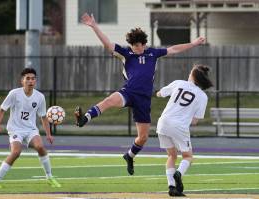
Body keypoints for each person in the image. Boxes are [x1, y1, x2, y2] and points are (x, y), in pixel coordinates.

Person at [75, 12, 206, 175]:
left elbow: (173, 49)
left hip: (143, 99)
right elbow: (108, 44)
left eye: (139, 45)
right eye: (133, 45)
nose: (136, 48)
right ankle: (84, 118)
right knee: (110, 100)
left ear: (144, 44)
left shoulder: (153, 54)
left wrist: (193, 43)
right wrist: (94, 26)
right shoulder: (126, 54)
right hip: (129, 92)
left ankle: (129, 156)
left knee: (142, 138)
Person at [0, 68, 61, 189]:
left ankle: (49, 177)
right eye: (27, 78)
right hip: (15, 129)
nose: (30, 81)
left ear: (35, 81)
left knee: (40, 147)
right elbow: (1, 110)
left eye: (33, 78)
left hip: (31, 130)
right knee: (16, 152)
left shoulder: (40, 97)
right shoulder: (14, 94)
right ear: (22, 80)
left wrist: (48, 134)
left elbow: (43, 117)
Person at [156, 64, 213, 196]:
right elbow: (195, 120)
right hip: (179, 126)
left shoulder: (178, 83)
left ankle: (171, 187)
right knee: (188, 156)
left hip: (163, 122)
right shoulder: (202, 96)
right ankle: (179, 174)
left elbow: (160, 93)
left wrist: (158, 93)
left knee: (171, 156)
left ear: (192, 75)